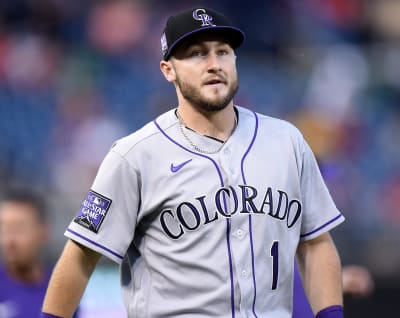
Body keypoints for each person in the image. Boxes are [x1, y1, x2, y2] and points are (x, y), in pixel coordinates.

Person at [42, 7, 345, 318]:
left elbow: (315, 243)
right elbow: (80, 256)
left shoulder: (287, 141)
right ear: (168, 70)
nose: (214, 64)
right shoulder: (134, 156)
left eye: (223, 52)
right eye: (197, 54)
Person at [0, 188, 79, 318]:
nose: (10, 240)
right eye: (4, 229)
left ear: (43, 232)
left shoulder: (62, 289)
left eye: (19, 229)